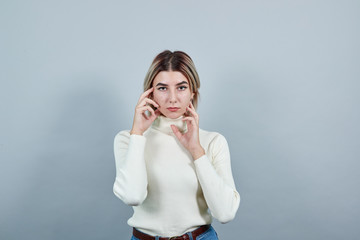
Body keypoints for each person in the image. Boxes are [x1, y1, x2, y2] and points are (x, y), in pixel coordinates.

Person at [113, 50, 240, 240]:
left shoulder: (213, 141)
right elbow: (133, 196)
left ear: (192, 93)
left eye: (181, 87)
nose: (172, 98)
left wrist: (197, 151)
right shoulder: (128, 139)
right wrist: (138, 133)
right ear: (150, 93)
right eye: (162, 88)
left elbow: (225, 213)